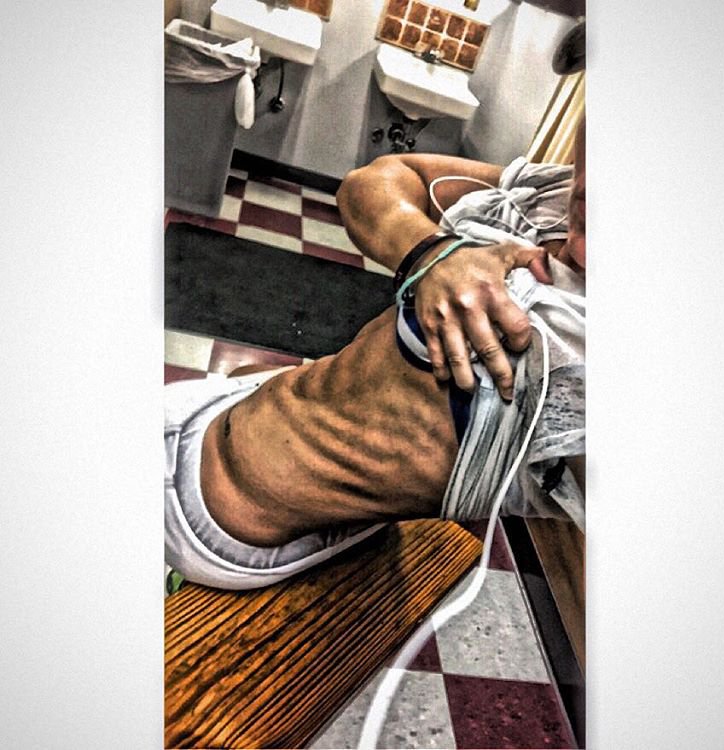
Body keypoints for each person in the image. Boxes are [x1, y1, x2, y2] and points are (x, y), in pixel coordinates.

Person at [165, 117, 586, 591]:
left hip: (206, 495)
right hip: (286, 452)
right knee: (256, 373)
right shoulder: (551, 191)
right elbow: (377, 178)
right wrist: (431, 251)